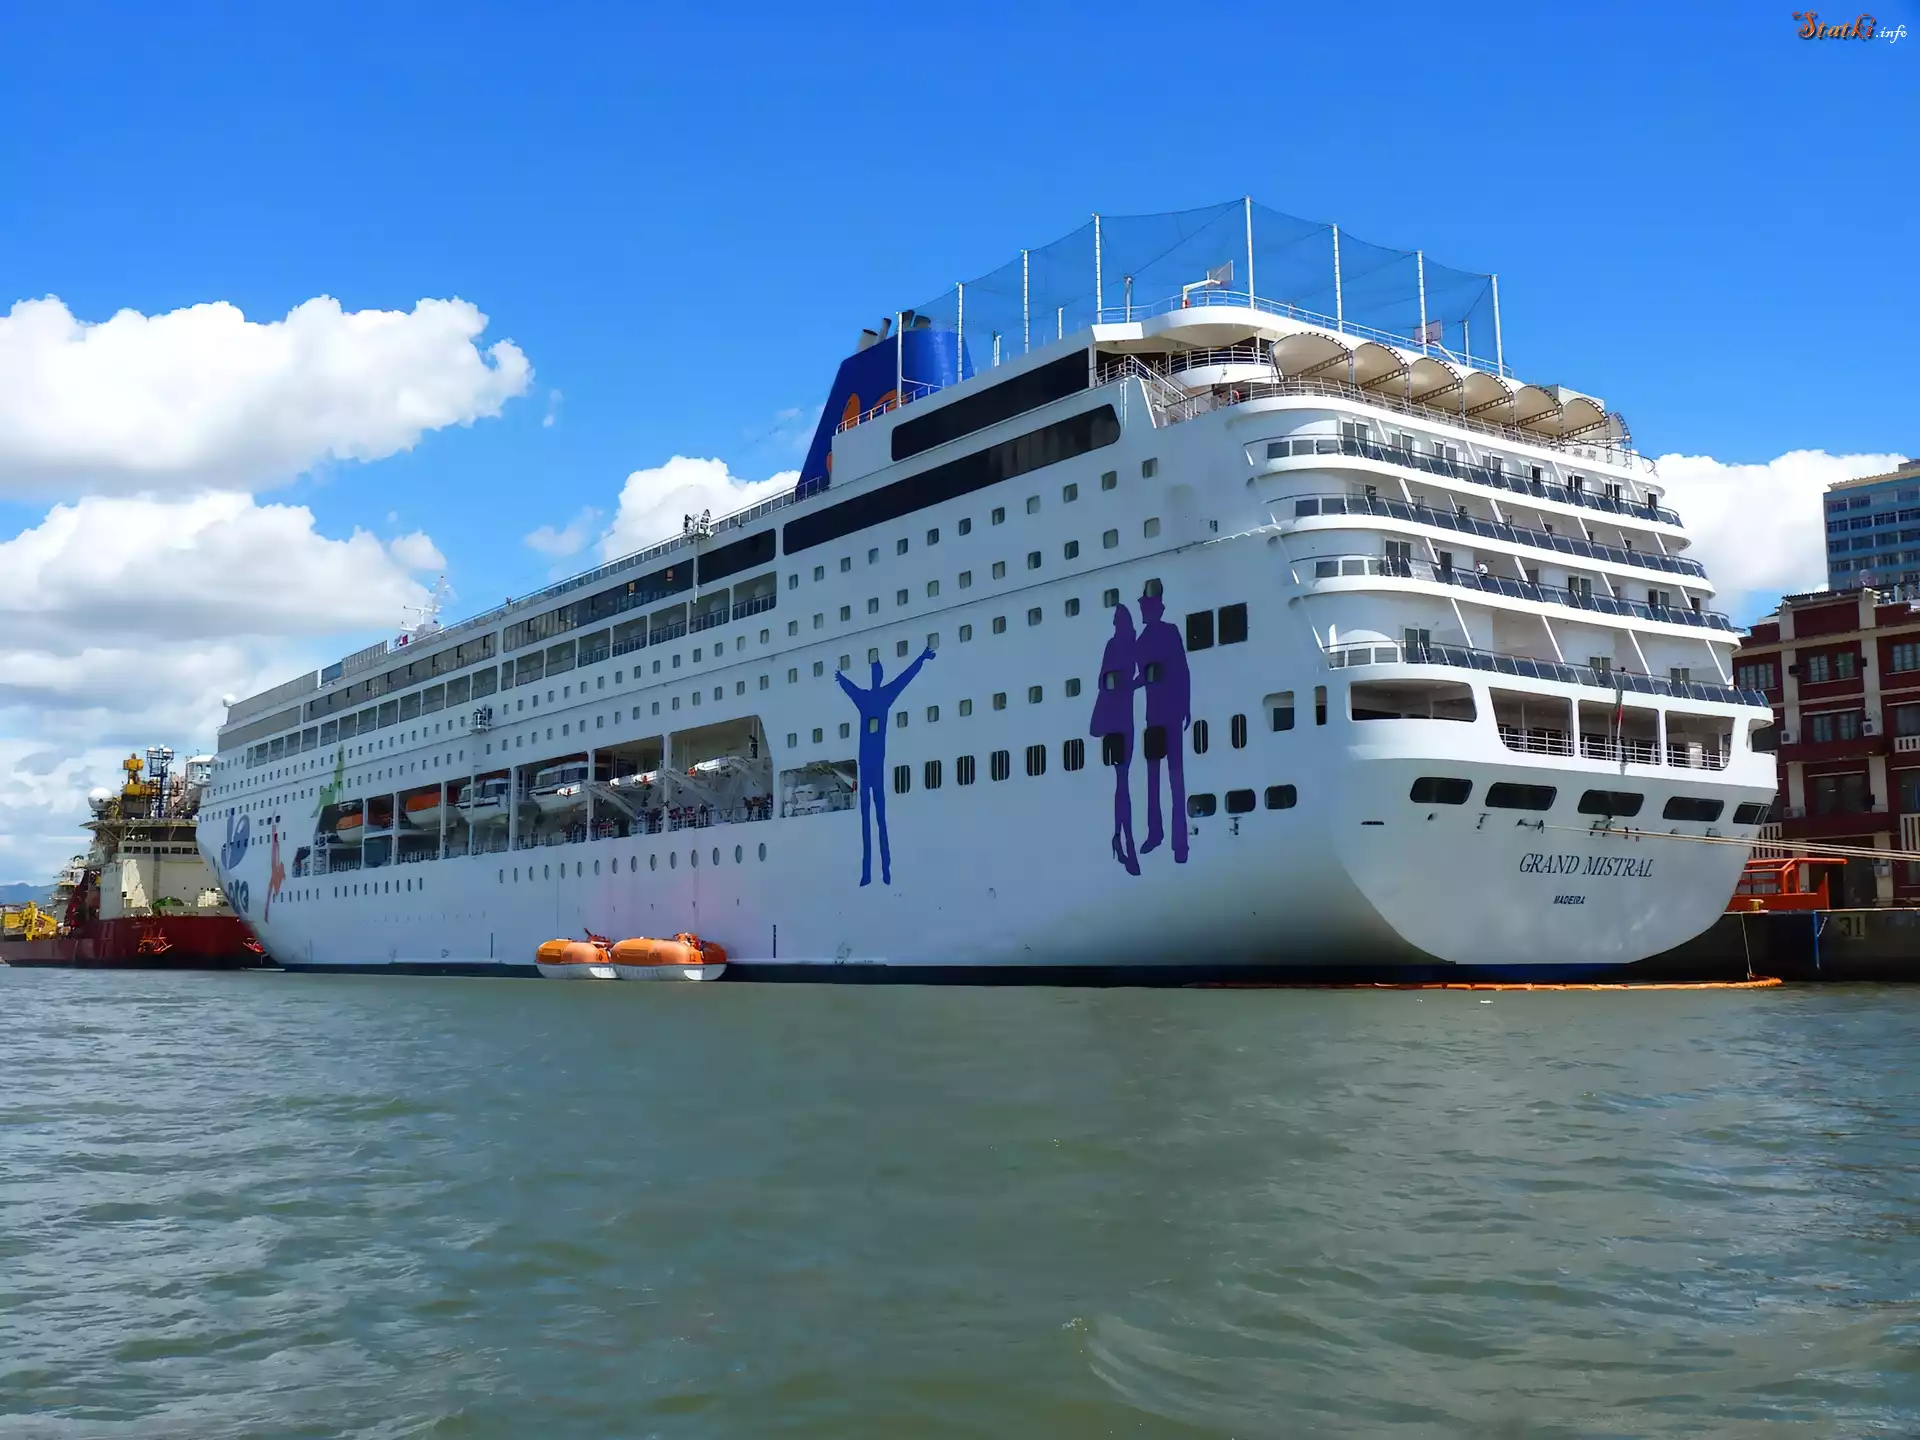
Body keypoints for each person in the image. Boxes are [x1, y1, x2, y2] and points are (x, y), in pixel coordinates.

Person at [835, 647, 935, 885]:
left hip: (867, 762)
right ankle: (883, 872)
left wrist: (840, 678)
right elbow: (905, 678)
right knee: (878, 819)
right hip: (875, 762)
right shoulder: (885, 695)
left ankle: (869, 874)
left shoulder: (865, 698)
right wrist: (921, 658)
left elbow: (851, 688)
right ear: (879, 676)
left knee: (868, 820)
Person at [1135, 591, 1191, 863]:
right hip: (1156, 716)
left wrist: (1186, 705)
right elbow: (1145, 675)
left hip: (1167, 714)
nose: (1144, 613)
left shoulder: (1169, 633)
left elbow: (1181, 668)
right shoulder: (1142, 641)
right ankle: (1157, 834)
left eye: (1146, 608)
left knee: (1173, 779)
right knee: (1156, 779)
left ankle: (1179, 842)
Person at [1090, 604, 1141, 876]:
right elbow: (1105, 680)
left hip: (1124, 719)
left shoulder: (1126, 644)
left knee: (1123, 781)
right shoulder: (1118, 645)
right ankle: (1124, 840)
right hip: (1117, 721)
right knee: (1122, 781)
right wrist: (1129, 684)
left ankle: (1120, 837)